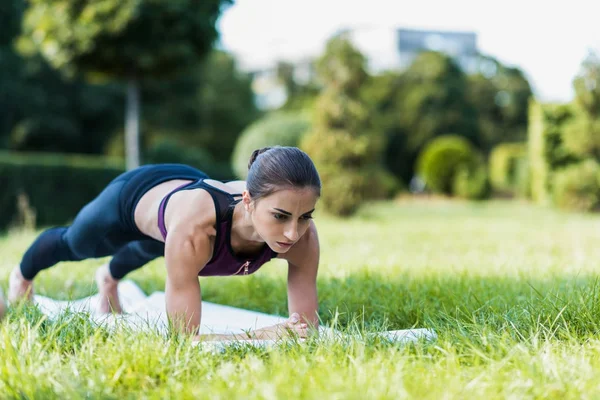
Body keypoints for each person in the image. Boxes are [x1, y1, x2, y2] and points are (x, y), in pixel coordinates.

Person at [7, 146, 321, 341]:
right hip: (134, 196)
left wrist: (296, 332)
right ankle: (20, 277)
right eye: (280, 216)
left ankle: (109, 279)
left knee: (155, 246)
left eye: (305, 216)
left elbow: (305, 328)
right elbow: (184, 339)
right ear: (248, 201)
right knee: (77, 244)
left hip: (183, 199)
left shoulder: (303, 237)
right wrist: (260, 335)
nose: (293, 233)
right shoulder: (196, 229)